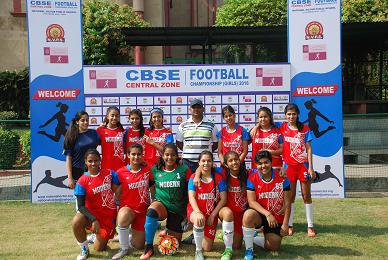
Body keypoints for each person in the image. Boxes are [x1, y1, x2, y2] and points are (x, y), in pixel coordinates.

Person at [140, 143, 192, 259]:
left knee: (175, 243)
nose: (170, 158)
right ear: (162, 155)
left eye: (173, 155)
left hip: (177, 210)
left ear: (177, 156)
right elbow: (151, 184)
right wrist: (154, 199)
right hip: (162, 205)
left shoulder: (184, 170)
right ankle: (149, 247)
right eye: (167, 155)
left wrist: (187, 212)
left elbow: (190, 191)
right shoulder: (155, 169)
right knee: (151, 211)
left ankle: (167, 231)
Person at [242, 150, 291, 260]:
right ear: (256, 165)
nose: (263, 166)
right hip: (260, 215)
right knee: (248, 214)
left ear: (271, 162)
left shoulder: (282, 177)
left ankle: (251, 238)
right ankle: (249, 249)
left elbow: (287, 202)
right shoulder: (252, 177)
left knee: (274, 246)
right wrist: (267, 214)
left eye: (266, 162)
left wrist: (285, 224)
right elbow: (251, 202)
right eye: (260, 163)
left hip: (276, 217)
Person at [72, 149, 118, 260]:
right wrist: (93, 220)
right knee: (76, 221)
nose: (93, 163)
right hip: (91, 217)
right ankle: (84, 249)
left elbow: (120, 187)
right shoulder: (82, 181)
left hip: (107, 218)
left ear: (100, 160)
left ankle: (95, 235)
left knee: (99, 248)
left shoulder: (109, 173)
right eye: (90, 161)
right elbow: (81, 206)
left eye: (96, 160)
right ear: (85, 162)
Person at [279, 103, 316, 237]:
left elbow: (309, 148)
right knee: (291, 197)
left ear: (298, 114)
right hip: (289, 167)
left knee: (307, 196)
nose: (291, 116)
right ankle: (289, 224)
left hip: (303, 166)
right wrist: (256, 126)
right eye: (289, 114)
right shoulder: (282, 127)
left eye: (294, 114)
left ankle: (310, 226)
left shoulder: (305, 128)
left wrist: (311, 168)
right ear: (285, 115)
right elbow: (267, 123)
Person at [111, 144, 152, 260]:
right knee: (123, 215)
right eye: (133, 154)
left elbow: (152, 186)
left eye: (139, 154)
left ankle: (127, 236)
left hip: (142, 212)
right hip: (128, 209)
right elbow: (115, 190)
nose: (136, 157)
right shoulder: (120, 172)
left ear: (142, 155)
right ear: (128, 155)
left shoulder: (147, 170)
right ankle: (123, 248)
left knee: (139, 246)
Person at [187, 151, 227, 260]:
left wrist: (213, 215)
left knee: (208, 247)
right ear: (199, 162)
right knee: (199, 219)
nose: (206, 163)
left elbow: (223, 199)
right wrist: (198, 212)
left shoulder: (218, 177)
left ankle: (193, 239)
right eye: (203, 161)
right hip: (196, 210)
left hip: (210, 213)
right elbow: (191, 197)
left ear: (213, 162)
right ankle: (198, 251)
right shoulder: (193, 177)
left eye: (209, 161)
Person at [176, 98, 218, 173]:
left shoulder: (211, 125)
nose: (196, 109)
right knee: (188, 184)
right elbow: (179, 143)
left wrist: (205, 152)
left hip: (205, 163)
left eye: (198, 107)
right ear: (190, 109)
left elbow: (216, 143)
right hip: (187, 162)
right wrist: (189, 151)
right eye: (193, 107)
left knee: (205, 183)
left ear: (203, 109)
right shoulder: (183, 125)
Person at [63, 111, 100, 189]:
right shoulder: (71, 136)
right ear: (77, 122)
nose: (86, 122)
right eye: (83, 120)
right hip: (77, 171)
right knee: (80, 197)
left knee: (94, 196)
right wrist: (70, 178)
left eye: (87, 120)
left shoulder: (94, 133)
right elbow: (68, 158)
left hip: (93, 169)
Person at [97, 106, 125, 171]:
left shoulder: (122, 131)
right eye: (112, 115)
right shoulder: (100, 130)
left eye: (117, 116)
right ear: (107, 116)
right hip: (106, 167)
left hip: (120, 167)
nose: (114, 118)